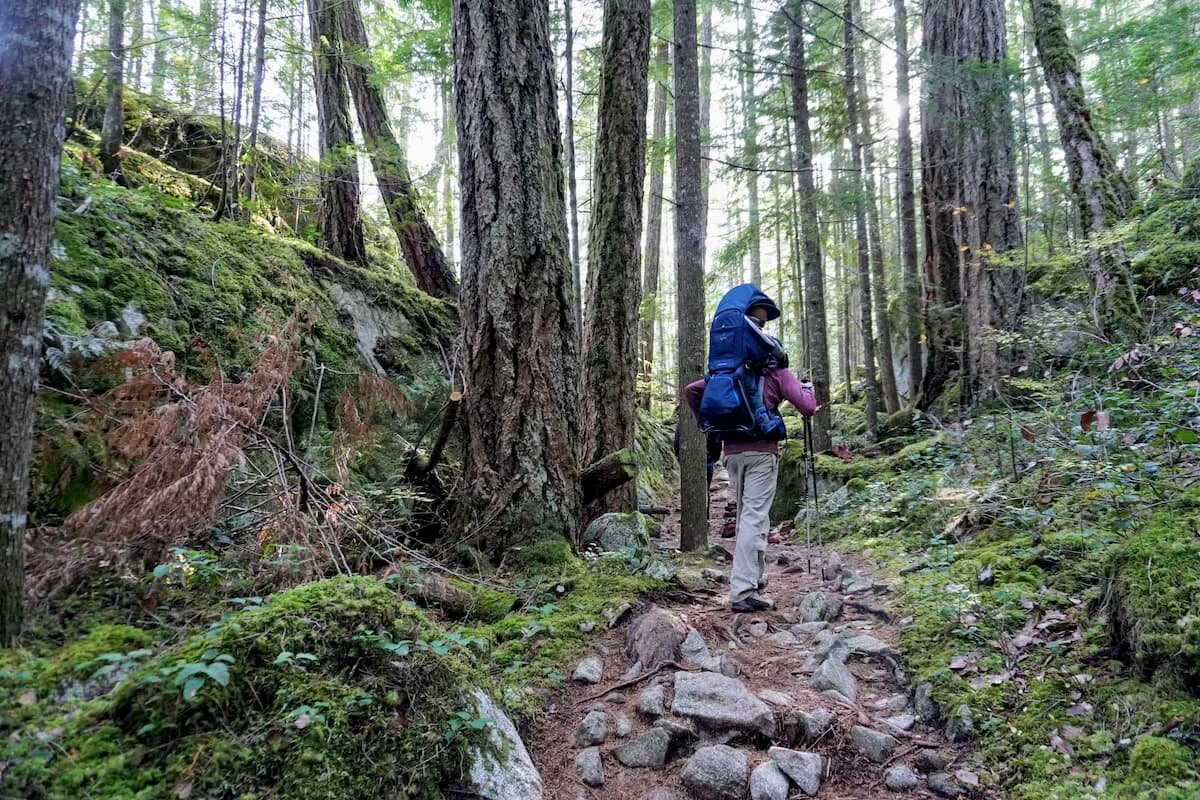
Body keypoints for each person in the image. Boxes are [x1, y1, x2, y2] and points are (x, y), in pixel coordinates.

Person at [684, 296, 816, 613]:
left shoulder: (727, 371)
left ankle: (754, 578)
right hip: (762, 453)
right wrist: (808, 389)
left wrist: (705, 422)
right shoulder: (776, 371)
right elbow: (807, 407)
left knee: (751, 515)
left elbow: (692, 390)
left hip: (732, 454)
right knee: (753, 518)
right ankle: (742, 591)